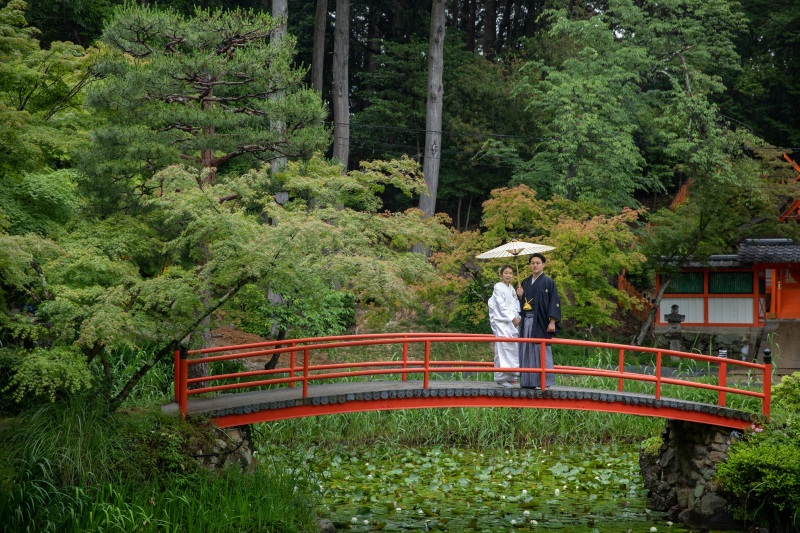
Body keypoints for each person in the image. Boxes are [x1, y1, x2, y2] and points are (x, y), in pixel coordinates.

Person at [516, 253, 561, 389]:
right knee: (526, 348)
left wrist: (552, 321)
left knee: (541, 348)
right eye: (533, 263)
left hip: (540, 320)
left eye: (538, 263)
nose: (535, 265)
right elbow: (521, 304)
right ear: (530, 265)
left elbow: (554, 302)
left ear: (543, 265)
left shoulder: (548, 282)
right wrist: (519, 296)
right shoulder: (524, 282)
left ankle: (544, 381)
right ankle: (528, 381)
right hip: (526, 320)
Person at [488, 265, 521, 387]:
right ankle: (501, 377)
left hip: (512, 324)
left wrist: (519, 296)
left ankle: (511, 375)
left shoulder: (512, 288)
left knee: (512, 348)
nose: (508, 275)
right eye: (505, 273)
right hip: (502, 322)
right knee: (503, 348)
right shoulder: (498, 287)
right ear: (501, 275)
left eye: (510, 273)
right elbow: (501, 305)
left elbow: (515, 304)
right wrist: (512, 318)